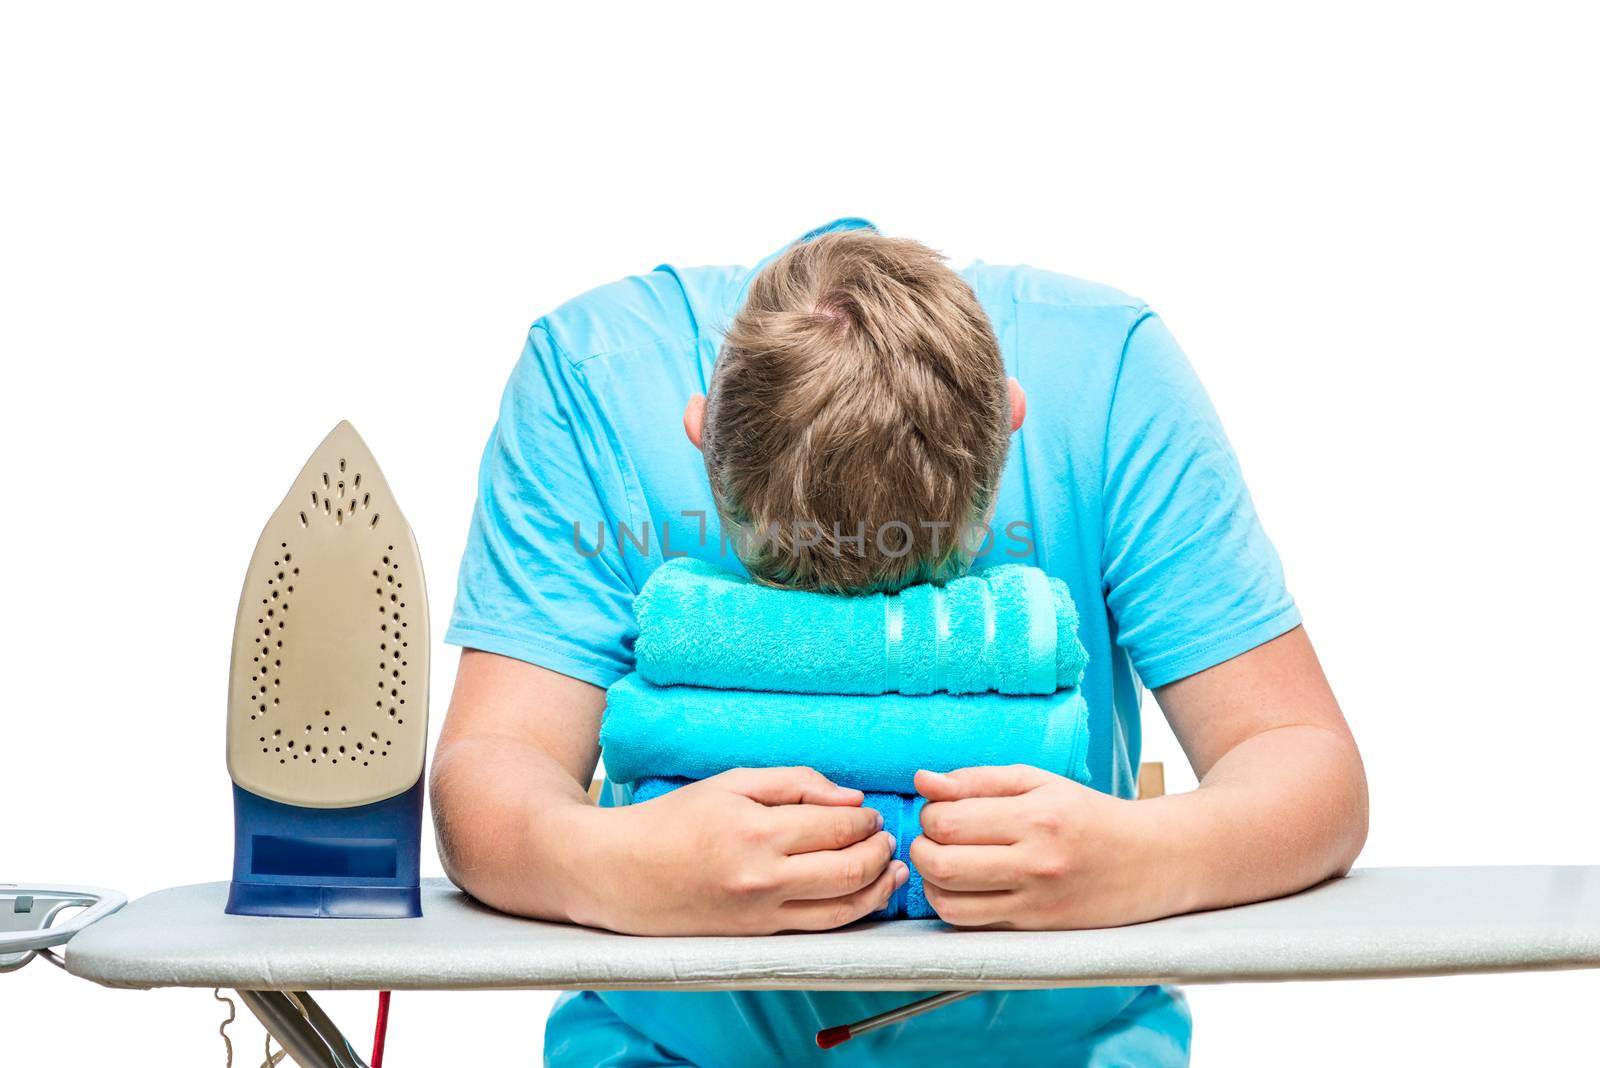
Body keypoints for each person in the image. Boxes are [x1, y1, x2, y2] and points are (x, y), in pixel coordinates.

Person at [431, 217, 1368, 1066]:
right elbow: (493, 767)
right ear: (701, 429)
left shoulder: (1108, 370)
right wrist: (611, 865)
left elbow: (1305, 765)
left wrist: (1148, 857)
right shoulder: (592, 377)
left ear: (1005, 426)